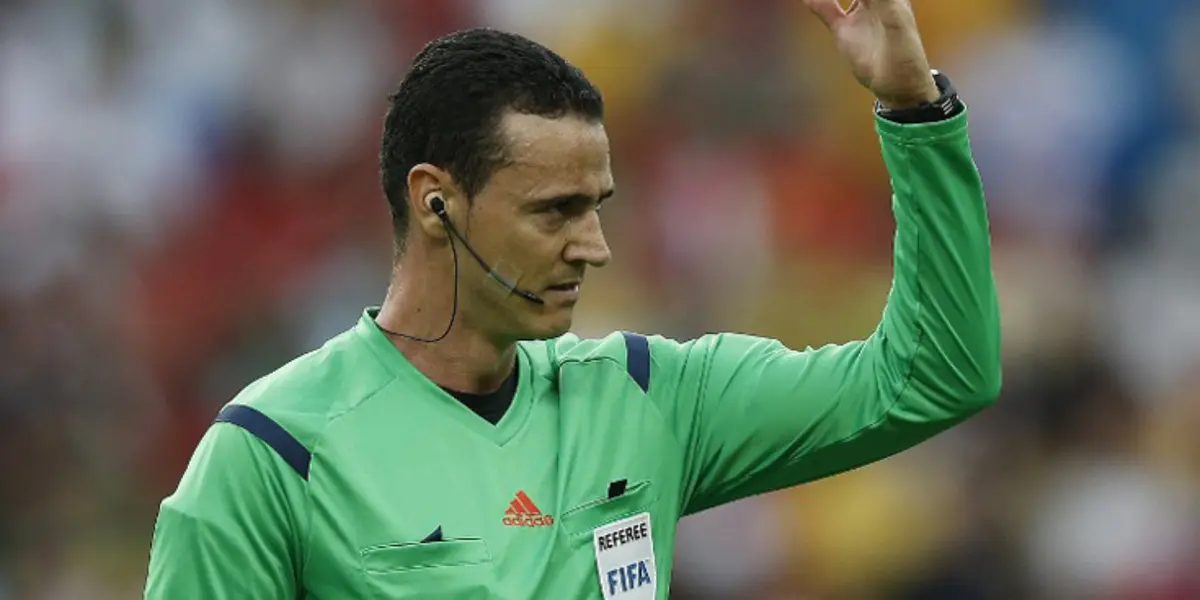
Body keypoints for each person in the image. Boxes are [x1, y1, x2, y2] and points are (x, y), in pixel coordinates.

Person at [144, 0, 1001, 598]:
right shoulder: (271, 455)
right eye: (556, 211)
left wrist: (911, 106)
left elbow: (937, 375)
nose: (594, 246)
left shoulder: (646, 396)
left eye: (597, 208)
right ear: (435, 200)